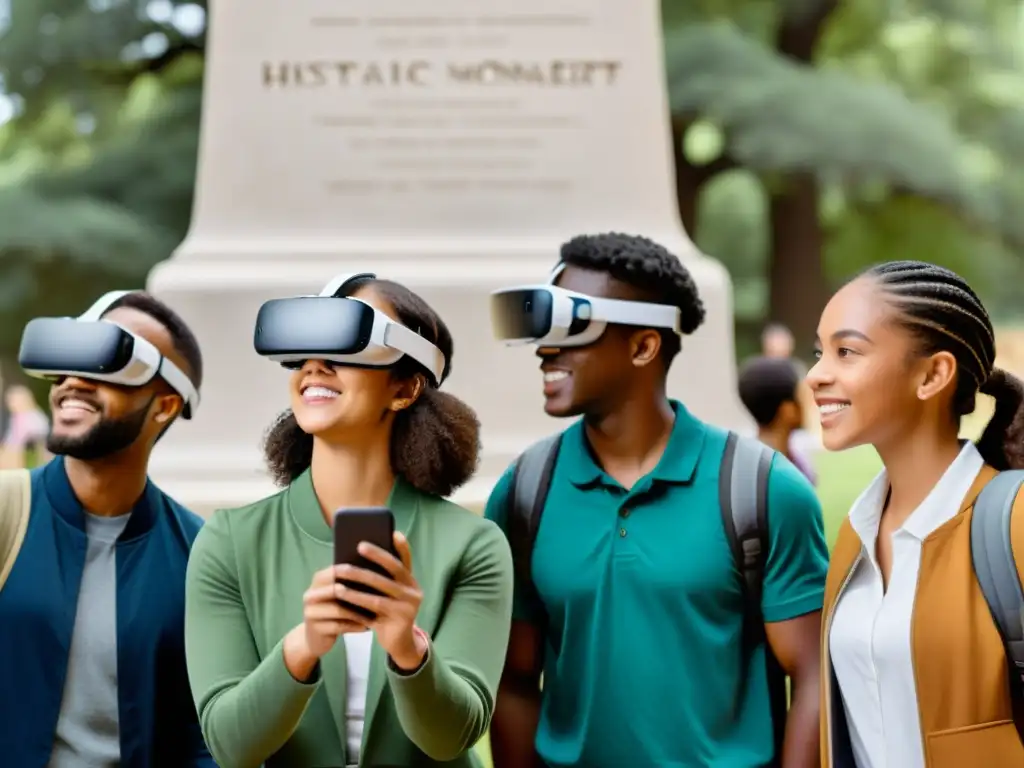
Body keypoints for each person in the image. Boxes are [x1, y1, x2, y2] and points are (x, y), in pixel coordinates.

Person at [485, 233, 829, 767]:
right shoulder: (525, 491)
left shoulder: (765, 490)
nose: (546, 349)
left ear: (644, 346)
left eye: (572, 328)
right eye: (545, 331)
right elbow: (514, 681)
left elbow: (813, 679)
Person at [184, 274, 514, 768]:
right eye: (304, 352)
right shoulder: (229, 541)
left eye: (343, 344)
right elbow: (232, 746)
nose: (315, 365)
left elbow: (453, 737)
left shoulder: (474, 545)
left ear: (404, 387)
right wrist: (304, 644)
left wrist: (407, 646)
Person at [810, 260, 1024, 768]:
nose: (816, 375)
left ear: (933, 374)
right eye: (819, 352)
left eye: (847, 351)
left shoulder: (1012, 523)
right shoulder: (853, 537)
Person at [0, 290, 212, 767]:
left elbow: (207, 736)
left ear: (164, 406)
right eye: (67, 364)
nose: (73, 381)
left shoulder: (201, 555)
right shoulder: (5, 512)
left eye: (107, 364)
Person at [738, 355, 817, 484]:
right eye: (804, 395)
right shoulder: (767, 476)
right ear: (788, 411)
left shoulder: (797, 459)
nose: (812, 403)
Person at [1, 384, 51, 468]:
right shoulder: (15, 417)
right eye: (9, 401)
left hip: (24, 454)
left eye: (13, 400)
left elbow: (39, 441)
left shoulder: (33, 417)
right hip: (12, 452)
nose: (10, 404)